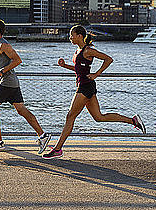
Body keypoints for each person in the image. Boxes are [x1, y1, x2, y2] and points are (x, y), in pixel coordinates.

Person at [42, 25, 146, 159]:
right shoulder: (78, 50)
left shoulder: (89, 50)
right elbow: (79, 70)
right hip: (86, 86)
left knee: (70, 117)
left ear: (79, 36)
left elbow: (108, 59)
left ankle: (58, 149)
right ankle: (133, 121)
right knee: (99, 117)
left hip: (85, 87)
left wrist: (96, 74)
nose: (70, 38)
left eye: (71, 35)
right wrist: (65, 66)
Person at [0, 19, 51, 153]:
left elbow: (18, 60)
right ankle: (43, 136)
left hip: (7, 83)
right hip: (12, 83)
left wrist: (1, 71)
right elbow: (7, 63)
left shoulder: (3, 45)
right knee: (21, 110)